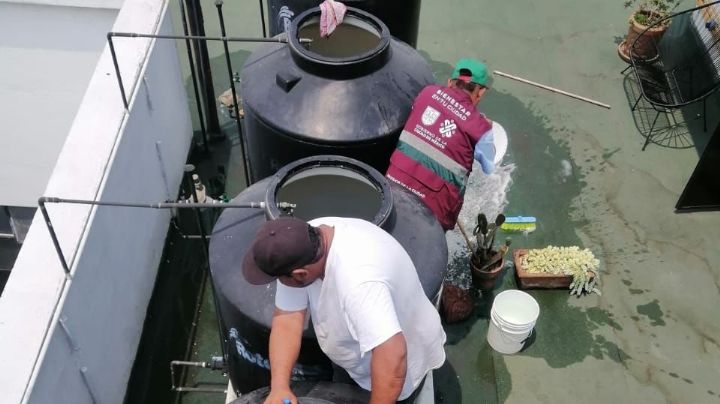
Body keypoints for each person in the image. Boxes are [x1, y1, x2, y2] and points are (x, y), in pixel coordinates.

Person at [242, 216, 446, 404]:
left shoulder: (358, 283)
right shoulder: (304, 241)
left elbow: (393, 356)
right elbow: (287, 320)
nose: (279, 283)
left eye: (280, 279)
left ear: (300, 275)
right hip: (355, 355)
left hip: (399, 368)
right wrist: (279, 386)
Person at [386, 58, 497, 231]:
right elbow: (489, 167)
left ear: (450, 82)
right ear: (480, 92)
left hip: (393, 182)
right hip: (433, 208)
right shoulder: (481, 128)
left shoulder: (427, 93)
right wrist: (487, 130)